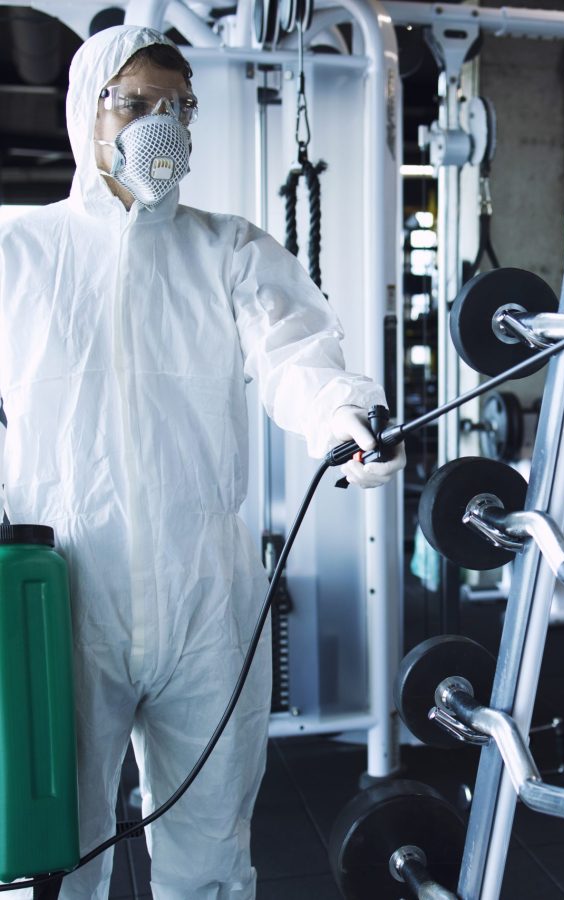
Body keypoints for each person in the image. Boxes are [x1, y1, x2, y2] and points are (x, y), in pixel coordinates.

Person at [0, 25, 404, 899]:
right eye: (136, 104)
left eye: (179, 108)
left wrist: (346, 418)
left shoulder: (227, 248)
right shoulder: (19, 255)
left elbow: (297, 353)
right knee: (54, 855)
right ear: (86, 112)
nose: (162, 127)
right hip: (63, 600)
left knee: (212, 849)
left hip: (207, 603)